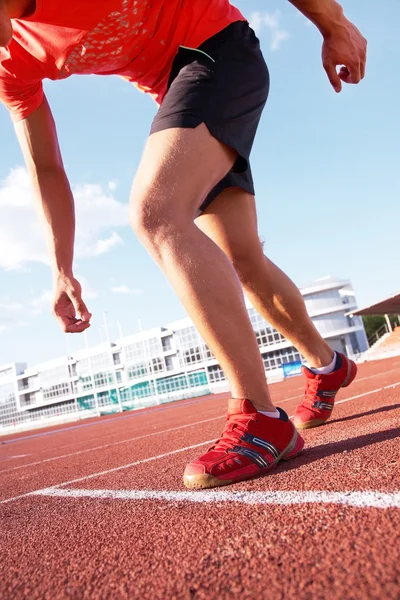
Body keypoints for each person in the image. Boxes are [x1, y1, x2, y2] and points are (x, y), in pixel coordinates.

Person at [0, 0, 366, 489]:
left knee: (156, 212)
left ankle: (261, 417)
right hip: (179, 91)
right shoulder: (10, 63)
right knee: (243, 258)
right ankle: (326, 364)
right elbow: (47, 169)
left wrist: (333, 23)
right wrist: (61, 268)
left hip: (220, 51)